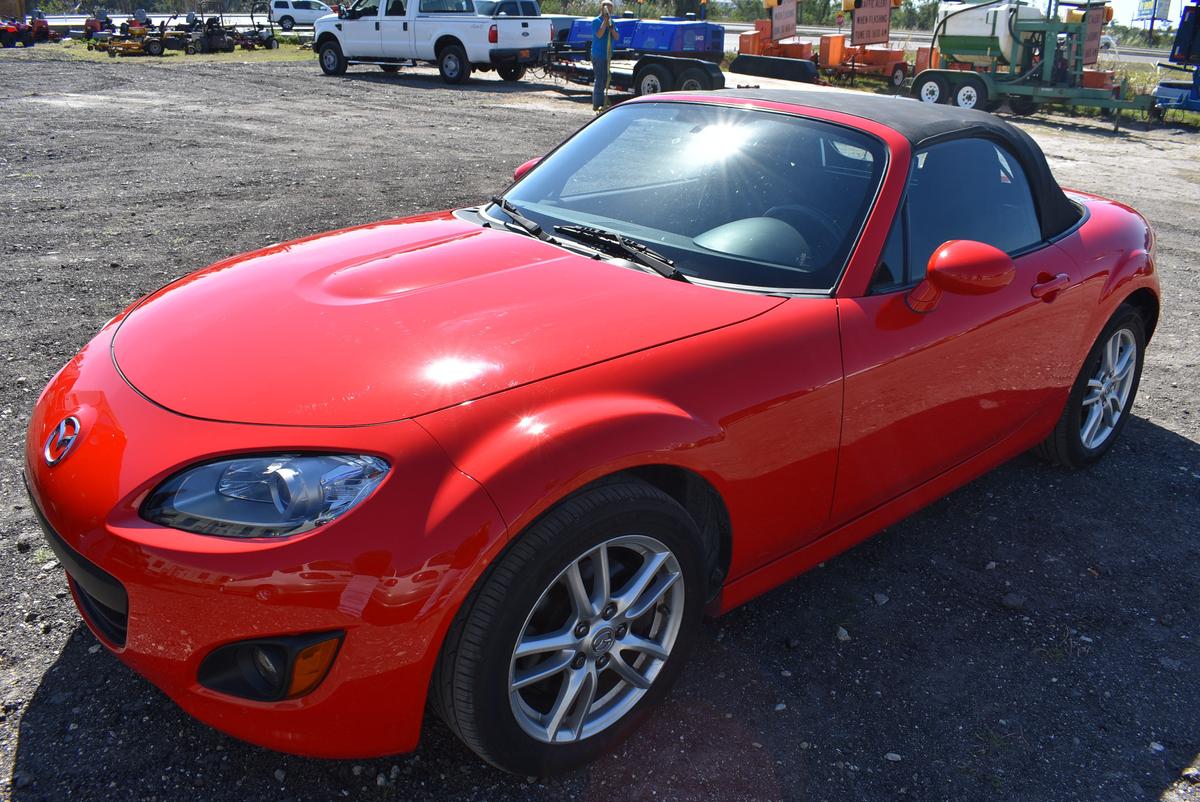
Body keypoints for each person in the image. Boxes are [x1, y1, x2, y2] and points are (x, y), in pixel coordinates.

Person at [591, 0, 619, 112]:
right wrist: (605, 22)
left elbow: (616, 37)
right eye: (607, 7)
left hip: (607, 55)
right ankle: (597, 104)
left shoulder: (613, 22)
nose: (609, 9)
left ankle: (602, 102)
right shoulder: (596, 21)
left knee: (605, 79)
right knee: (600, 79)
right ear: (602, 8)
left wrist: (611, 27)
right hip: (598, 55)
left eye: (611, 7)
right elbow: (599, 34)